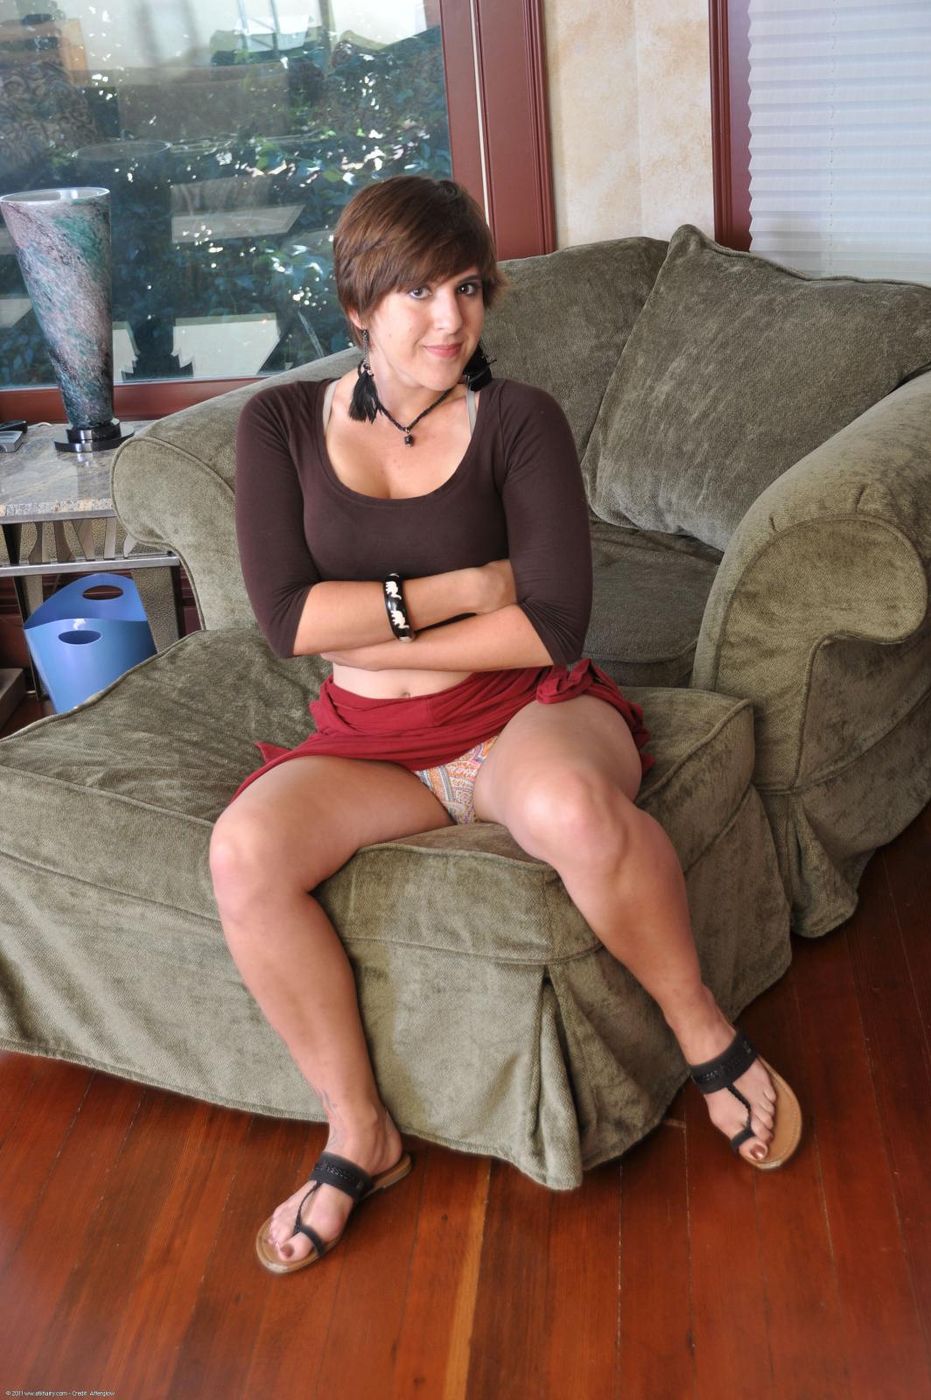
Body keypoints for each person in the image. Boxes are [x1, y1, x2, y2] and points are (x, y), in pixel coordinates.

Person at [210, 175, 802, 1277]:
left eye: (468, 289)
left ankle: (702, 1031)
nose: (451, 319)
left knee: (570, 808)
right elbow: (289, 619)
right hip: (368, 747)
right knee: (242, 852)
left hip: (523, 713)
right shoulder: (278, 425)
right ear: (357, 304)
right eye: (418, 292)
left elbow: (552, 624)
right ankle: (359, 1131)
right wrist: (465, 587)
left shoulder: (520, 418)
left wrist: (372, 635)